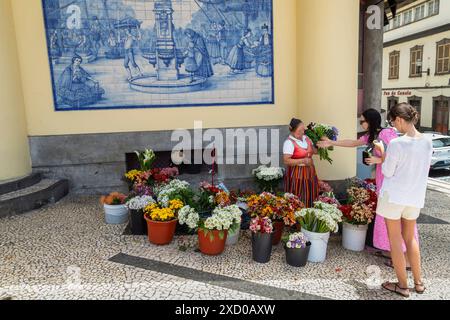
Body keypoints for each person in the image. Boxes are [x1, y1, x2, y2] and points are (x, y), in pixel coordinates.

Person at [317, 108, 419, 265]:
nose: (361, 124)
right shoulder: (372, 136)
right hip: (383, 179)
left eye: (362, 121)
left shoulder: (385, 133)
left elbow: (398, 155)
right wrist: (331, 142)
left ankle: (404, 259)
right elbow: (353, 142)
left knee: (394, 217)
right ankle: (393, 251)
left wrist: (378, 160)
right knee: (387, 216)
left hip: (392, 180)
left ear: (370, 121)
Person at [374, 103, 432, 298]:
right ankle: (419, 283)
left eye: (393, 122)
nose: (394, 127)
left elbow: (388, 171)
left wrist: (382, 152)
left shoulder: (397, 143)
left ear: (399, 119)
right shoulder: (427, 142)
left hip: (394, 198)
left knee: (395, 241)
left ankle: (402, 285)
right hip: (414, 198)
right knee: (410, 238)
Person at [283, 118, 320, 208]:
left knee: (311, 194)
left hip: (310, 172)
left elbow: (315, 151)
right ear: (292, 130)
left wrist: (320, 141)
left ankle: (310, 214)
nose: (303, 132)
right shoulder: (289, 142)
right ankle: (298, 217)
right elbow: (286, 160)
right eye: (300, 130)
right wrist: (303, 161)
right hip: (297, 173)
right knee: (299, 195)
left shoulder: (307, 138)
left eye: (303, 129)